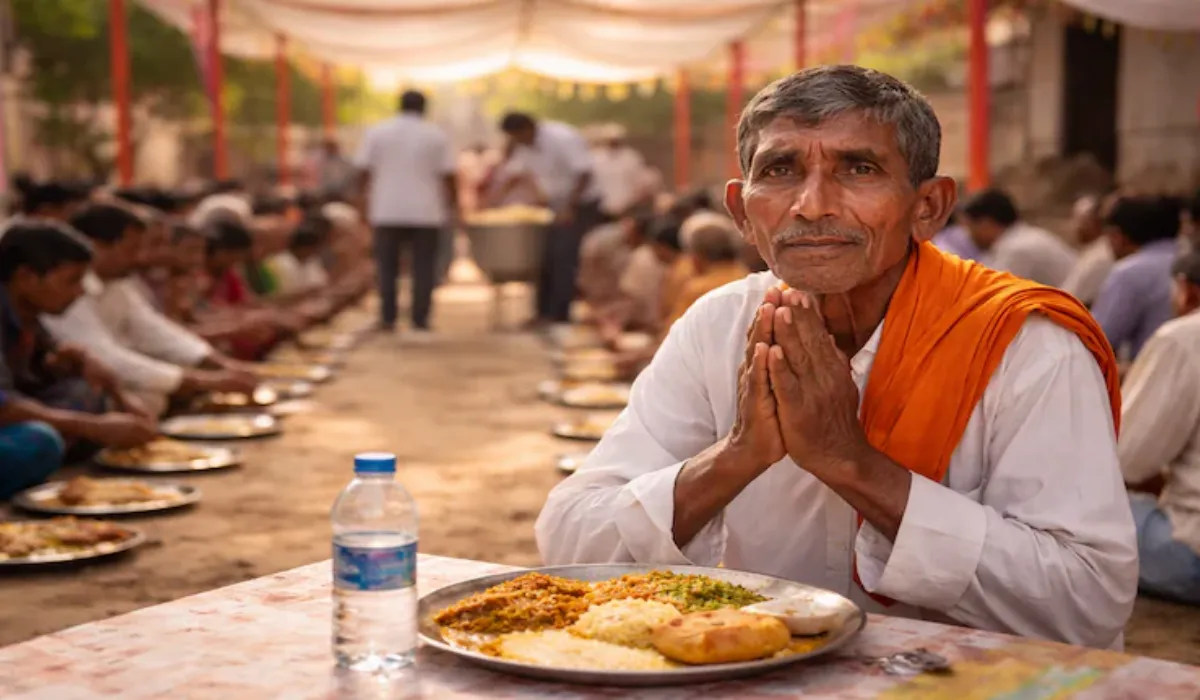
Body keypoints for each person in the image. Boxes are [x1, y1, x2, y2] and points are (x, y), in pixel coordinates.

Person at [536, 65, 1136, 648]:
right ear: (742, 212)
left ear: (928, 206)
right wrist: (736, 457)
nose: (812, 204)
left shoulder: (1025, 346)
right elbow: (570, 539)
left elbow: (1087, 603)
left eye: (859, 168)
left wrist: (851, 463)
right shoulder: (720, 325)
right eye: (781, 169)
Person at [42, 204, 257, 417]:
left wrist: (220, 365)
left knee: (155, 394)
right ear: (98, 246)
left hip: (117, 380)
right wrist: (204, 380)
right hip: (83, 390)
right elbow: (106, 356)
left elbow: (153, 328)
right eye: (132, 250)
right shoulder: (68, 289)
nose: (141, 257)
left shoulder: (117, 283)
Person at [0, 222, 157, 496]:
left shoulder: (28, 316)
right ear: (25, 277)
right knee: (41, 441)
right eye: (71, 280)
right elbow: (4, 406)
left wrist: (106, 383)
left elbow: (43, 365)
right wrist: (94, 428)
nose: (80, 292)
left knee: (85, 391)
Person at [1118, 249, 1200, 606]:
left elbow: (1127, 460)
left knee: (1068, 511)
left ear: (1187, 291)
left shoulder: (1184, 338)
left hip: (1190, 555)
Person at [355, 90, 459, 340]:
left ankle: (388, 318)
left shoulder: (378, 132)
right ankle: (419, 320)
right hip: (426, 211)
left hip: (386, 209)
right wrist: (453, 206)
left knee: (386, 266)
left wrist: (361, 203)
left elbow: (363, 172)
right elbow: (449, 175)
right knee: (424, 267)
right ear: (424, 108)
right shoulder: (435, 135)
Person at [499, 112, 601, 326]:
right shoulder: (524, 146)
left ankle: (559, 314)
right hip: (554, 205)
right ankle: (543, 312)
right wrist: (494, 200)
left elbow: (584, 173)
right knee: (543, 257)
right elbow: (517, 175)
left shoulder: (562, 137)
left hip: (579, 203)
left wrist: (569, 207)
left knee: (563, 257)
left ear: (528, 128)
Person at [1090, 195, 1181, 360]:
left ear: (1117, 236)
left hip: (1156, 377)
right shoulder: (1190, 259)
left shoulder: (1130, 273)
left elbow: (1097, 343)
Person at [961, 188, 1077, 287]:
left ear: (987, 223)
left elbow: (994, 294)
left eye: (971, 228)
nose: (969, 236)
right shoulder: (1020, 238)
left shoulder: (1018, 249)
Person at [1061, 193, 1115, 307]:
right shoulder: (1093, 250)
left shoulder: (1100, 257)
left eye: (1081, 221)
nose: (1075, 227)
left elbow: (1071, 299)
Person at [591, 124, 650, 221]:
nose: (613, 142)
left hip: (627, 206)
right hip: (602, 207)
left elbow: (640, 182)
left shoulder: (631, 157)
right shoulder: (596, 158)